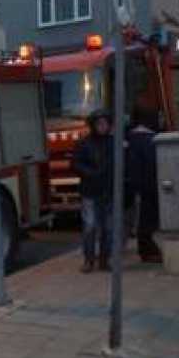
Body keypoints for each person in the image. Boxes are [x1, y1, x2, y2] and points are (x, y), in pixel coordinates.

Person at [73, 109, 115, 273]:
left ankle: (105, 259)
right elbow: (75, 164)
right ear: (93, 125)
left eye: (105, 123)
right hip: (90, 190)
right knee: (90, 225)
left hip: (108, 190)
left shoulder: (113, 143)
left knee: (108, 227)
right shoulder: (84, 144)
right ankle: (89, 259)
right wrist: (90, 173)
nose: (102, 127)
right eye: (99, 124)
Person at [127, 107, 163, 263]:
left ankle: (147, 250)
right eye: (159, 117)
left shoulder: (130, 138)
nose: (161, 120)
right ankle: (148, 251)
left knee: (143, 219)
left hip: (137, 187)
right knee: (146, 220)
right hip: (148, 186)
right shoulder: (150, 140)